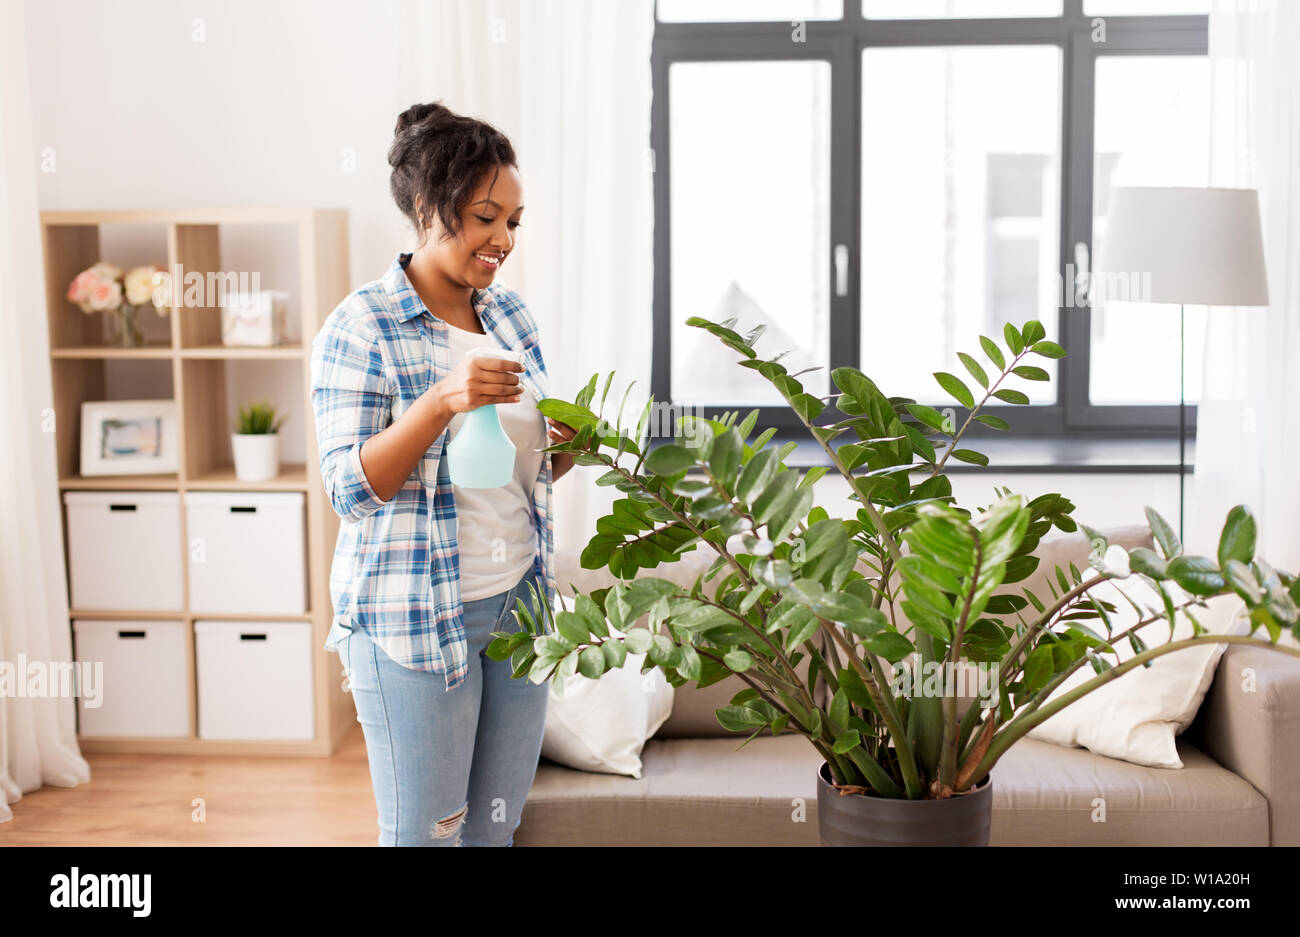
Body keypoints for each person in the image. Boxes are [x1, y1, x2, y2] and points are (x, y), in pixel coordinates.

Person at [309, 101, 577, 846]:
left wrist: (567, 445)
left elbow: (521, 475)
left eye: (514, 222)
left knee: (494, 832)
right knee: (429, 837)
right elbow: (349, 490)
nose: (503, 239)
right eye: (486, 215)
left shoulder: (512, 317)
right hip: (412, 619)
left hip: (518, 607)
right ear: (428, 205)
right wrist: (441, 399)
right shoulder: (360, 326)